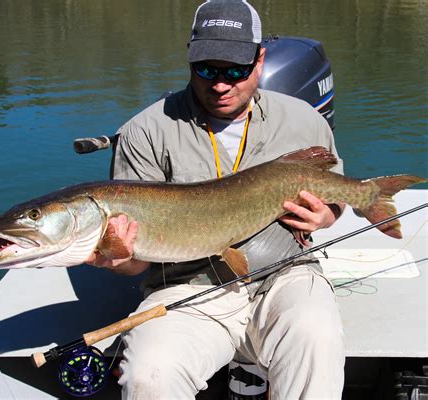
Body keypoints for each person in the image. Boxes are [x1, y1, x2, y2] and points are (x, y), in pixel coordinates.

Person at [87, 0, 345, 398]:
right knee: (148, 373)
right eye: (206, 69)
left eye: (235, 70)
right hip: (188, 286)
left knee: (317, 338)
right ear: (189, 61)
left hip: (286, 275)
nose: (220, 84)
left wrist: (327, 216)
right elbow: (137, 262)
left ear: (259, 61)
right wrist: (121, 260)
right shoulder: (145, 132)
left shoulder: (304, 120)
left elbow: (337, 195)